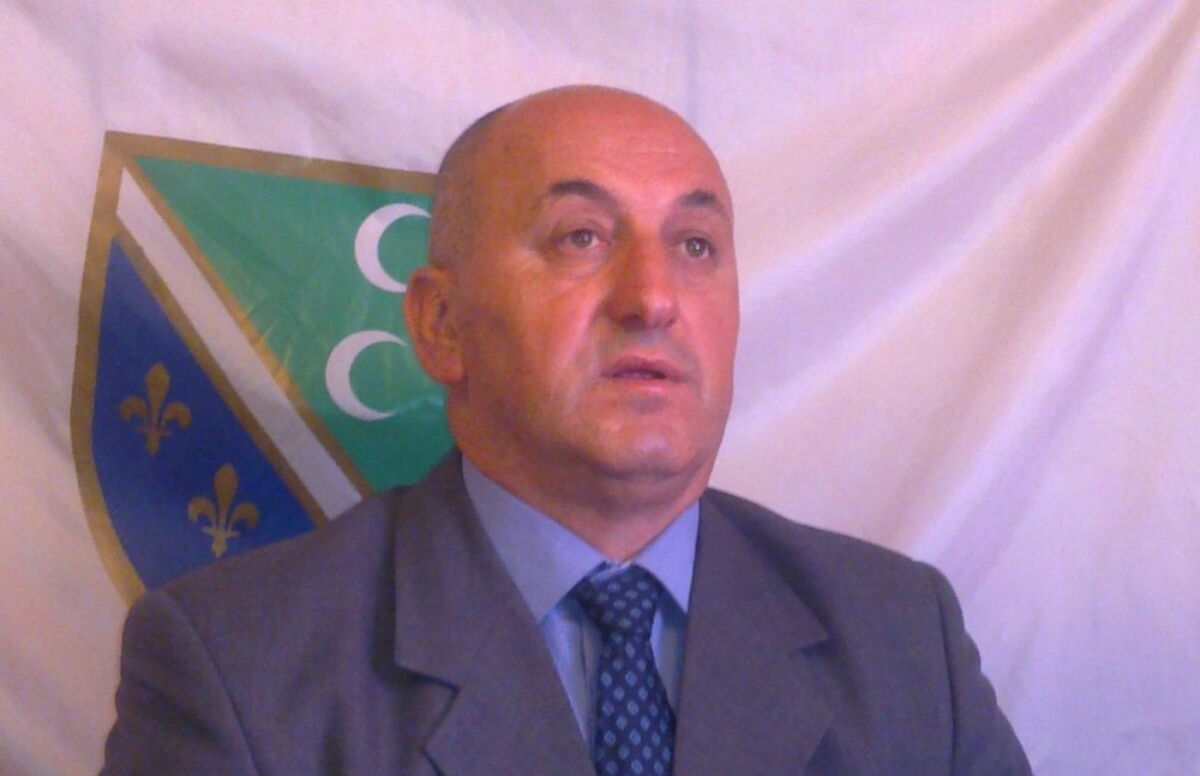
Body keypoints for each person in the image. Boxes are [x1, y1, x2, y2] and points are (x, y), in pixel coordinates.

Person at [101, 86, 1032, 775]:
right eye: (580, 237)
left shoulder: (904, 639)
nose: (653, 298)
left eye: (695, 246)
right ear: (441, 325)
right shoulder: (235, 664)